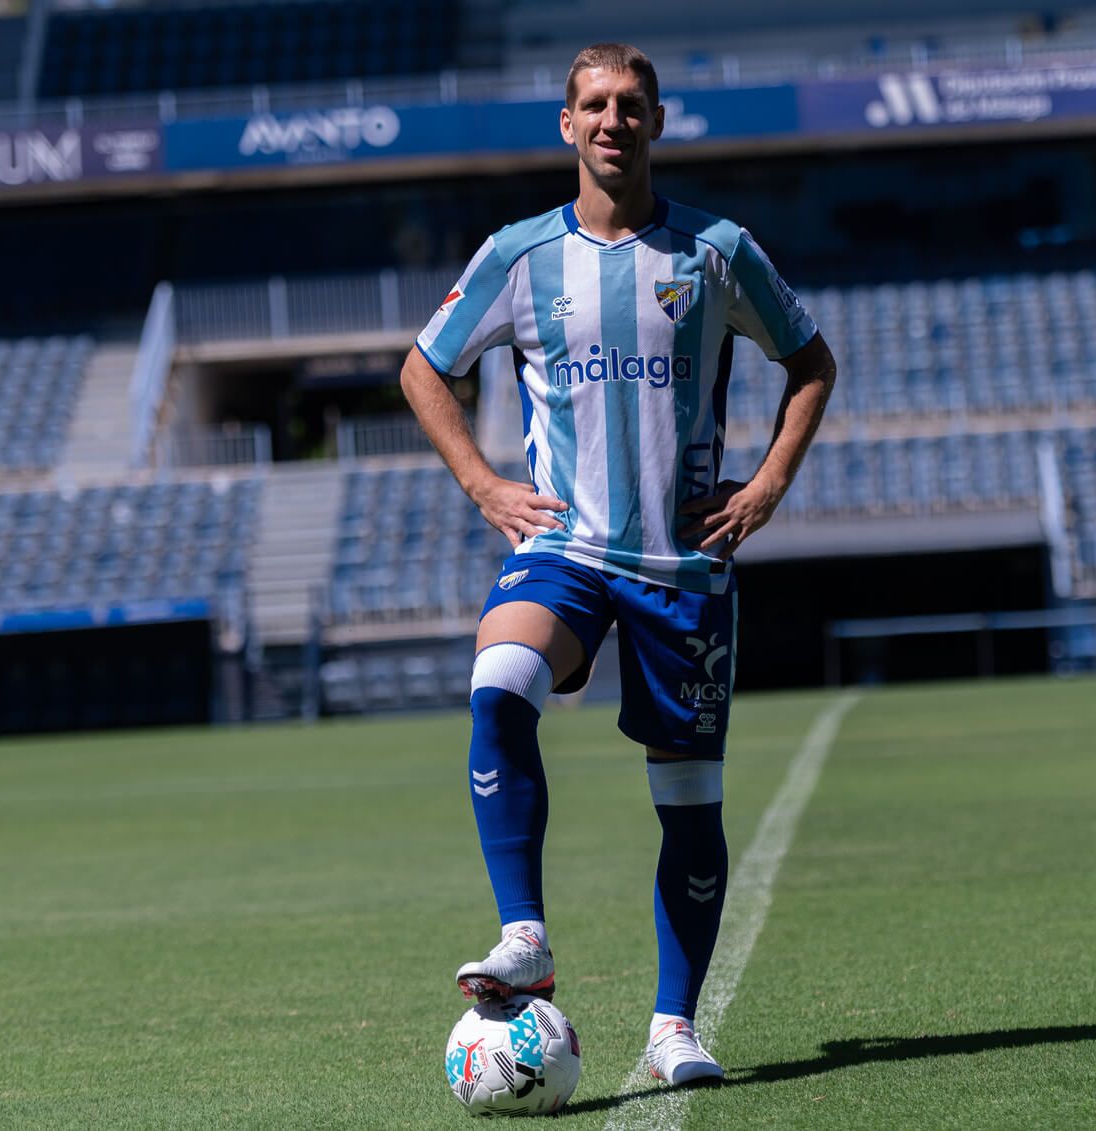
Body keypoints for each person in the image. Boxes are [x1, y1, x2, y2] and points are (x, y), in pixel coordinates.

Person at [400, 42, 836, 1087]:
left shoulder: (717, 250)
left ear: (656, 121)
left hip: (680, 569)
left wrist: (766, 484)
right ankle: (525, 935)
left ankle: (671, 1028)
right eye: (592, 105)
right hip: (564, 548)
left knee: (686, 802)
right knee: (498, 687)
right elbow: (421, 367)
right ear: (566, 124)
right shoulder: (517, 256)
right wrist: (485, 486)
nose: (611, 121)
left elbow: (809, 361)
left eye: (629, 105)